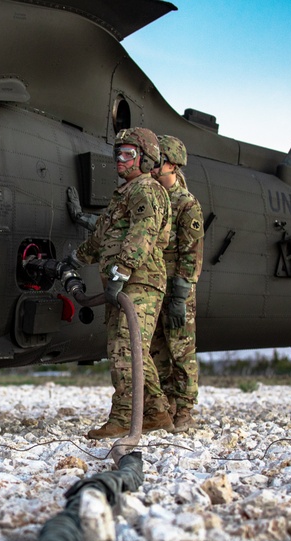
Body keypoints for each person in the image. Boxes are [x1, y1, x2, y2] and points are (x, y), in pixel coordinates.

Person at [72, 127, 175, 439]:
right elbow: (100, 238)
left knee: (124, 349)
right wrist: (74, 260)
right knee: (134, 350)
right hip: (125, 284)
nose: (120, 159)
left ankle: (122, 419)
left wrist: (123, 270)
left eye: (128, 154)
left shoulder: (147, 190)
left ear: (145, 160)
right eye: (117, 153)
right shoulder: (123, 196)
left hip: (139, 282)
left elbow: (144, 231)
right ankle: (156, 413)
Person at [149, 135, 204, 431]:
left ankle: (184, 410)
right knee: (156, 351)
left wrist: (181, 295)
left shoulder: (186, 203)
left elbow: (192, 252)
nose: (151, 166)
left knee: (181, 351)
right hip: (154, 285)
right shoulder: (153, 198)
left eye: (157, 161)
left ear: (171, 164)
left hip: (177, 288)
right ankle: (164, 408)